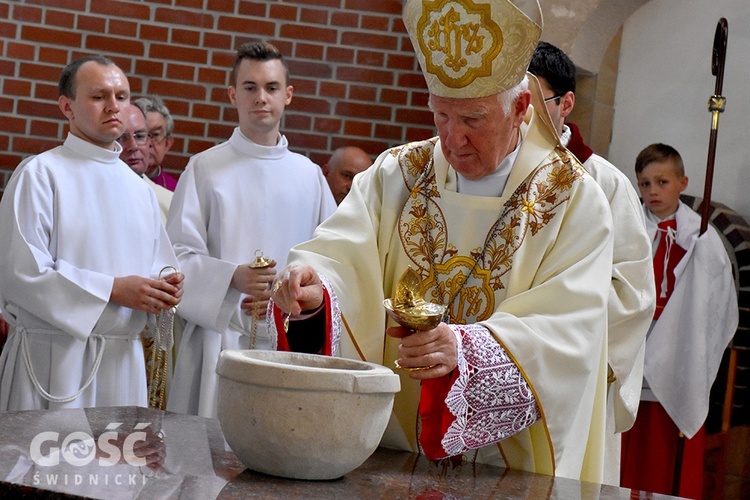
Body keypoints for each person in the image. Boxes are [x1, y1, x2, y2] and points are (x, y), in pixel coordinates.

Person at [269, 0, 615, 483]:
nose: (452, 139)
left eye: (473, 119)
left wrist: (468, 352)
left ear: (520, 109)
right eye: (441, 116)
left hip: (508, 466)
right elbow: (341, 256)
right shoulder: (398, 174)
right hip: (391, 453)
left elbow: (572, 329)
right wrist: (315, 291)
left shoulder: (573, 199)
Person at [0, 55, 184, 411]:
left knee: (113, 465)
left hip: (122, 361)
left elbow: (158, 267)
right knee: (44, 464)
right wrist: (113, 289)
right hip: (53, 357)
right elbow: (23, 275)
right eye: (99, 96)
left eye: (122, 95)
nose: (114, 106)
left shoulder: (140, 190)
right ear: (66, 107)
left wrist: (165, 287)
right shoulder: (40, 174)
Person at [166, 41, 336, 419]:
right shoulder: (205, 168)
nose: (261, 97)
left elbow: (331, 262)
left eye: (272, 87)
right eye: (250, 87)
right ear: (233, 94)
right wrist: (232, 279)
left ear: (287, 95)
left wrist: (293, 297)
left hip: (286, 340)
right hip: (218, 337)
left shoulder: (308, 176)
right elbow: (175, 257)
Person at [528, 40, 656, 484]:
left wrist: (565, 347)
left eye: (533, 98)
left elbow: (633, 293)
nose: (522, 111)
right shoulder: (492, 176)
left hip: (573, 375)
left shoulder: (605, 183)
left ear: (566, 103)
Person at [620, 143, 738, 498]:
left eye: (662, 182)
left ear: (682, 182)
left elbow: (717, 304)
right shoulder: (628, 229)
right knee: (628, 439)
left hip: (678, 356)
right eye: (644, 184)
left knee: (667, 450)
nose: (653, 191)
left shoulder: (701, 237)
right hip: (633, 350)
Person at [118, 101, 173, 224]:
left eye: (140, 136)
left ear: (168, 143)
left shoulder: (174, 197)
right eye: (123, 137)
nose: (134, 146)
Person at [134, 95, 178, 191]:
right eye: (139, 135)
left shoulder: (176, 192)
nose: (148, 143)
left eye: (155, 134)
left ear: (167, 144)